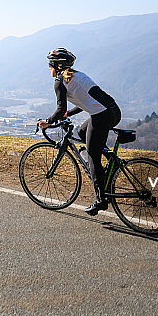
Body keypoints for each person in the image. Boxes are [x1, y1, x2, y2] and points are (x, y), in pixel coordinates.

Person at [37, 48, 121, 216]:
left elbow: (60, 109)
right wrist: (68, 114)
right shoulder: (78, 75)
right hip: (113, 111)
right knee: (82, 133)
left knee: (92, 156)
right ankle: (109, 162)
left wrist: (48, 121)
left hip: (101, 116)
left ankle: (101, 200)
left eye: (50, 64)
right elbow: (85, 101)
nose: (48, 68)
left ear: (57, 65)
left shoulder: (60, 81)